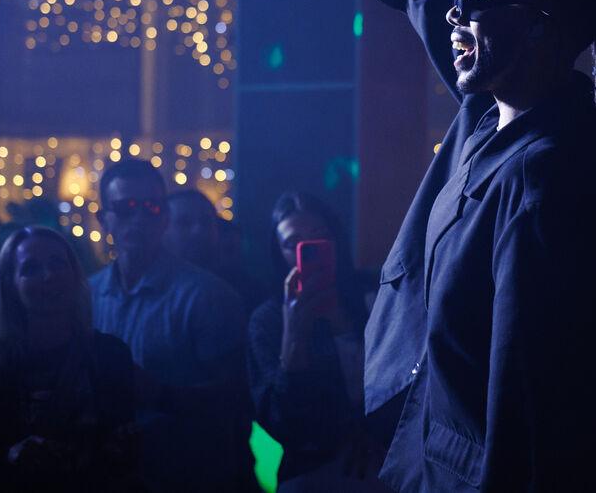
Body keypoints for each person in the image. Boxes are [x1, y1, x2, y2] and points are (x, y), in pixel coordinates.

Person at [309, 0, 596, 492]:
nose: (456, 13)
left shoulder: (544, 177)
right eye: (463, 1)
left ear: (538, 31)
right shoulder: (489, 117)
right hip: (437, 457)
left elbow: (526, 381)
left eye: (478, 5)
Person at [90, 160, 256, 492]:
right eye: (126, 208)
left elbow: (237, 394)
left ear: (164, 216)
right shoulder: (86, 294)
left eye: (151, 207)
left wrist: (160, 395)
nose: (139, 218)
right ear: (103, 218)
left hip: (191, 476)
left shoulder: (207, 295)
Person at [0, 225, 138, 491]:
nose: (48, 276)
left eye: (57, 264)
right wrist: (9, 457)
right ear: (10, 283)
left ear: (74, 274)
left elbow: (121, 460)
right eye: (30, 269)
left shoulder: (110, 355)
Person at [246, 191, 391, 492]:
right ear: (279, 252)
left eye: (319, 236)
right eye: (293, 243)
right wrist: (294, 334)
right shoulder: (268, 320)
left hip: (388, 456)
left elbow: (407, 375)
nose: (308, 249)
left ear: (335, 240)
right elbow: (280, 423)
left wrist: (373, 430)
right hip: (311, 469)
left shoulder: (375, 293)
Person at [162, 189, 266, 313]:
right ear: (162, 229)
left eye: (206, 222)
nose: (197, 230)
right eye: (184, 223)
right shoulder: (148, 290)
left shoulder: (249, 294)